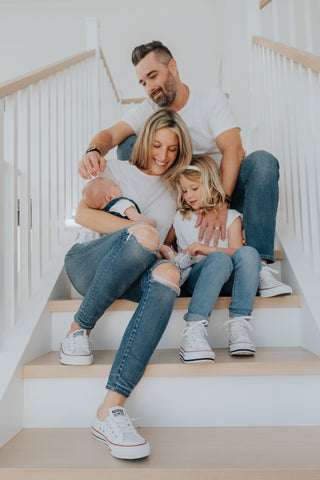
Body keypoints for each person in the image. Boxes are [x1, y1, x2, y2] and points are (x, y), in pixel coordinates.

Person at [77, 40, 292, 298]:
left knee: (263, 163)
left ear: (173, 67)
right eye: (143, 82)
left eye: (153, 76)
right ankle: (139, 237)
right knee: (129, 141)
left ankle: (260, 270)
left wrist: (219, 202)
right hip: (181, 195)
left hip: (223, 188)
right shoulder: (148, 109)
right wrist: (94, 151)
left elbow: (233, 149)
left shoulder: (208, 97)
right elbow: (111, 134)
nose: (150, 87)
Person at [60, 108, 193, 460]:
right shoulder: (116, 169)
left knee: (168, 274)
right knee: (145, 236)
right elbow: (83, 215)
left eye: (173, 149)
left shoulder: (175, 192)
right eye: (158, 145)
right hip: (91, 263)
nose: (164, 156)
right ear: (146, 140)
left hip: (138, 268)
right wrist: (140, 230)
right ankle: (77, 330)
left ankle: (110, 409)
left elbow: (166, 245)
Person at [162, 155, 261, 363]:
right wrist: (174, 256)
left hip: (228, 280)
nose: (188, 195)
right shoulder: (181, 217)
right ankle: (194, 329)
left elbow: (237, 253)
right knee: (218, 260)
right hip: (195, 279)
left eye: (194, 188)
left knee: (249, 253)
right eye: (185, 190)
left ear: (210, 184)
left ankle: (238, 325)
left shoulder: (232, 217)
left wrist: (208, 249)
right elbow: (164, 245)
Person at [82, 176, 156, 226]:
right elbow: (136, 218)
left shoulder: (104, 213)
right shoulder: (122, 203)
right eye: (115, 185)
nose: (119, 186)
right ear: (109, 198)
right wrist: (151, 222)